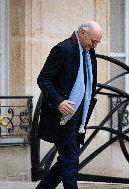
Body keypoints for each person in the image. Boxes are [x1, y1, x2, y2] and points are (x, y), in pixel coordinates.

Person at [36, 21, 102, 189]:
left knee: (66, 160)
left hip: (78, 117)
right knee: (71, 159)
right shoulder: (63, 49)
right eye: (93, 41)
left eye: (97, 42)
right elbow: (43, 79)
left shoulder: (88, 51)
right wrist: (58, 101)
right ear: (82, 34)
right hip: (62, 116)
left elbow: (88, 83)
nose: (94, 45)